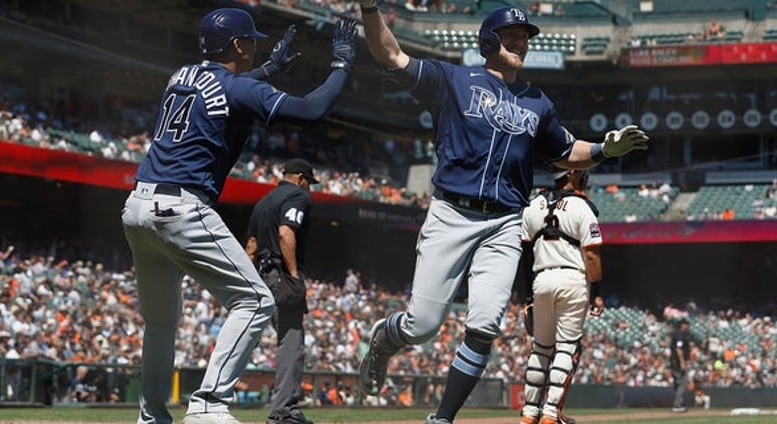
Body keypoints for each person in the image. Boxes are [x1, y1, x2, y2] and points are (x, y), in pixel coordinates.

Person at [354, 3, 649, 423]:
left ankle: (441, 419)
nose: (521, 43)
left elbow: (566, 151)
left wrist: (605, 150)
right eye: (512, 35)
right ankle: (385, 338)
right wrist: (369, 8)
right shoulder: (453, 80)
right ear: (488, 40)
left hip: (505, 221)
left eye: (526, 37)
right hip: (452, 213)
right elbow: (391, 55)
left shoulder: (537, 102)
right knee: (422, 325)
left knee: (485, 326)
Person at [120, 7, 358, 424]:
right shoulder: (235, 87)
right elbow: (309, 110)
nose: (253, 45)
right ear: (236, 44)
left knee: (159, 322)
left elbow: (227, 87)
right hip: (181, 207)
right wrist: (340, 65)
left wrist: (267, 67)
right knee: (254, 300)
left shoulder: (181, 76)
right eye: (251, 40)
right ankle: (208, 404)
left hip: (138, 206)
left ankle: (151, 417)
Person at [518, 168, 604, 424]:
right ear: (572, 174)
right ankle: (551, 413)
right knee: (566, 347)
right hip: (572, 279)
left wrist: (526, 296)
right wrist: (597, 294)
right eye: (582, 172)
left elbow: (524, 257)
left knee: (541, 349)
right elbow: (591, 255)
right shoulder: (582, 207)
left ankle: (530, 412)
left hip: (540, 279)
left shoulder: (533, 205)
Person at [244, 158, 318, 424]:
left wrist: (247, 281)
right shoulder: (299, 195)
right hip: (281, 275)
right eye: (309, 182)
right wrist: (294, 275)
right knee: (291, 342)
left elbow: (251, 246)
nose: (310, 188)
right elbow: (287, 232)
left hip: (260, 276)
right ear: (300, 178)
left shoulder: (264, 201)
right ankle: (284, 411)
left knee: (256, 337)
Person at [670, 318, 691, 413]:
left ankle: (679, 403)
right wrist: (682, 362)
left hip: (675, 361)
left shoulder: (680, 334)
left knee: (678, 383)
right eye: (687, 324)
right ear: (682, 325)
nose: (688, 326)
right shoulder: (680, 334)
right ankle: (677, 404)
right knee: (683, 381)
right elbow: (679, 349)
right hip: (677, 362)